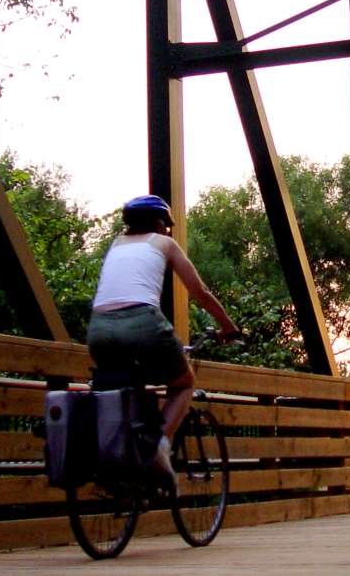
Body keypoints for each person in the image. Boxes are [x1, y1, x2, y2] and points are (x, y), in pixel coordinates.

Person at [87, 194, 239, 483]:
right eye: (166, 225)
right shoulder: (164, 243)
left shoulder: (116, 245)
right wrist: (228, 327)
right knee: (183, 382)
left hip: (99, 330)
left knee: (127, 386)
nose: (167, 231)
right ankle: (159, 446)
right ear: (159, 223)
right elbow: (199, 292)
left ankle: (125, 456)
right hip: (143, 324)